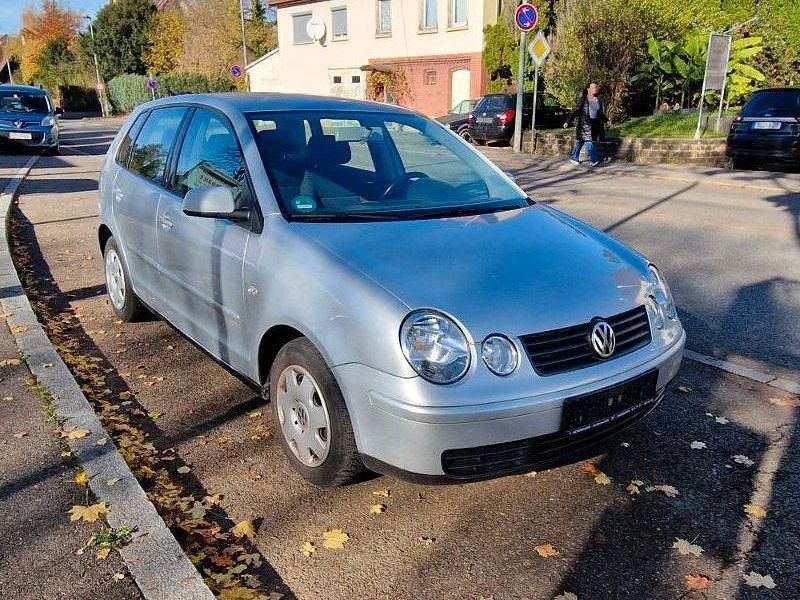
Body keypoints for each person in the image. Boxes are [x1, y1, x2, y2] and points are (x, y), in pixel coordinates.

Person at [563, 81, 607, 167]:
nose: (595, 89)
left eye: (596, 87)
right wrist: (567, 121)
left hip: (593, 125)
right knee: (589, 142)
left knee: (580, 142)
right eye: (593, 87)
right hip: (584, 125)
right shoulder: (583, 100)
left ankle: (574, 157)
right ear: (588, 89)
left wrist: (606, 120)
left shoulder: (598, 100)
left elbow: (600, 113)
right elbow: (575, 111)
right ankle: (595, 159)